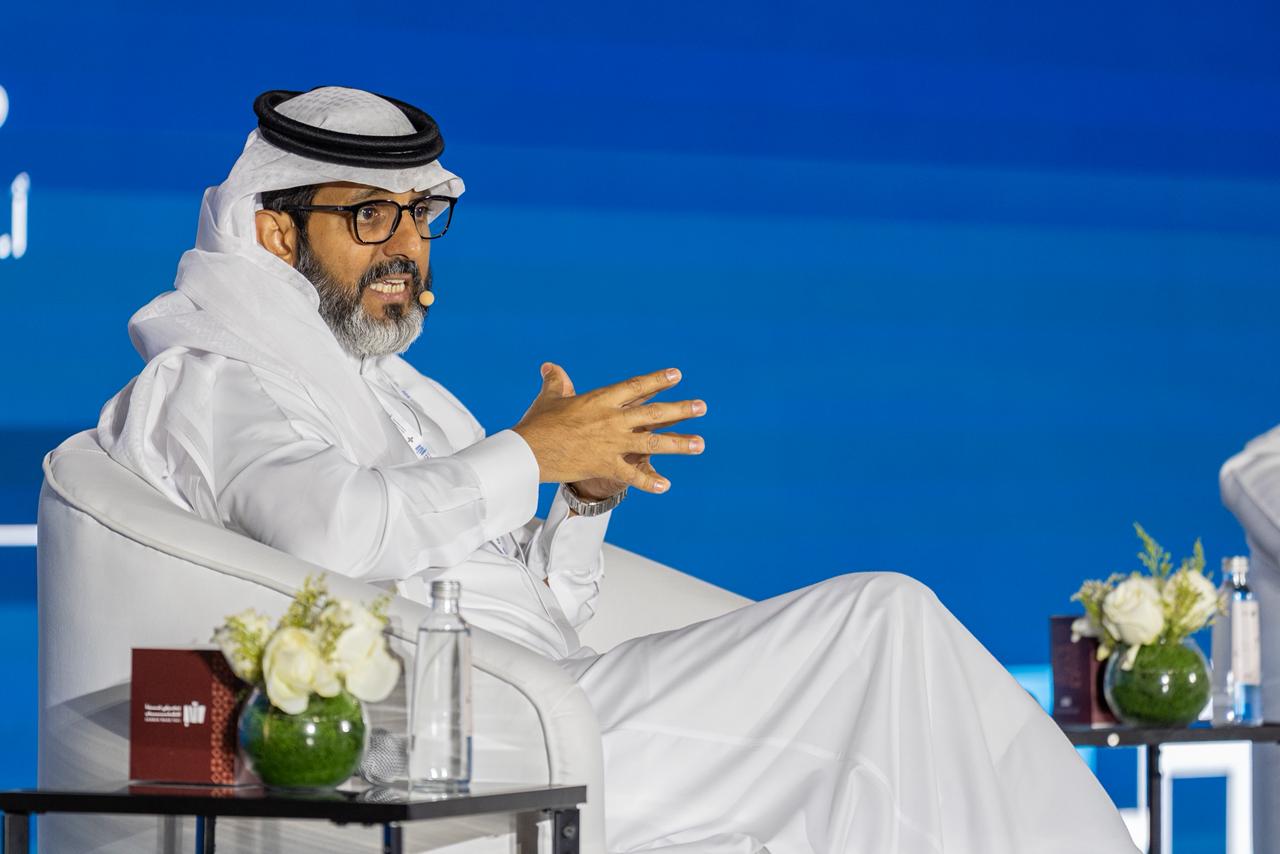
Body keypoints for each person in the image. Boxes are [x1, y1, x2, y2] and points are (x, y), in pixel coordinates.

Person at [98, 87, 1137, 854]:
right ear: (274, 230)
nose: (406, 244)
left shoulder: (407, 394)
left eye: (420, 215)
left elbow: (541, 613)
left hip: (544, 697)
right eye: (371, 215)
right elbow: (324, 531)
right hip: (441, 736)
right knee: (882, 624)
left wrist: (580, 504)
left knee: (899, 694)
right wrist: (529, 452)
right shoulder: (218, 377)